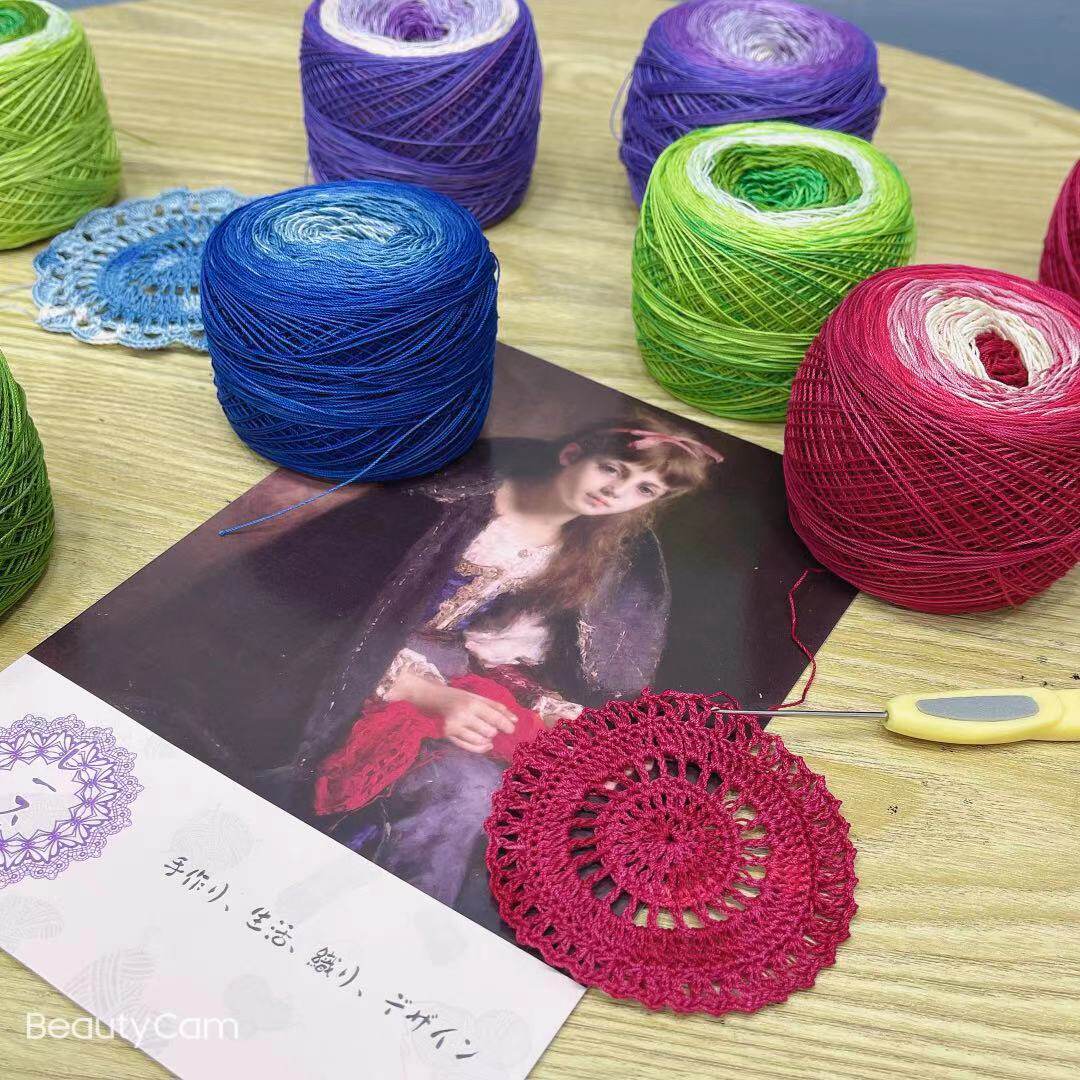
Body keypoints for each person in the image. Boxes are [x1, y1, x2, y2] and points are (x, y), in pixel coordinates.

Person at [308, 416, 722, 931]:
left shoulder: (577, 553)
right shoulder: (455, 505)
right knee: (467, 787)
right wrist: (424, 694)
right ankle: (388, 924)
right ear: (573, 453)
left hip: (457, 671)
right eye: (612, 468)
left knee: (556, 800)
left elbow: (497, 650)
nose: (617, 492)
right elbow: (342, 612)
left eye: (644, 489)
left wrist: (546, 712)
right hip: (371, 665)